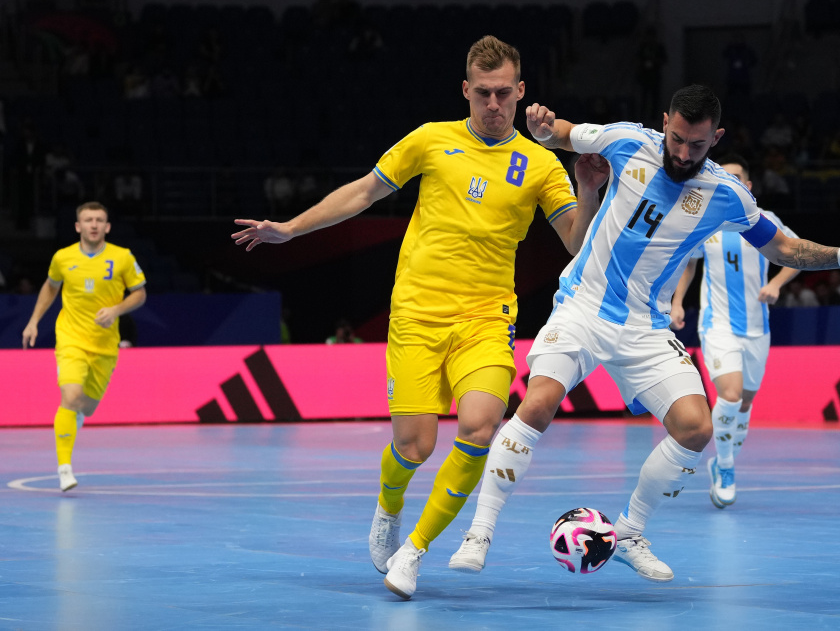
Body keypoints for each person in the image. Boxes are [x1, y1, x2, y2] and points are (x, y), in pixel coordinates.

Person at [449, 84, 840, 582]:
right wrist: (540, 126)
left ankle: (628, 533)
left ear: (717, 138)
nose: (684, 154)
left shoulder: (725, 194)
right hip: (583, 305)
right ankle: (480, 532)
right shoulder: (628, 142)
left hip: (645, 325)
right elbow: (560, 133)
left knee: (696, 427)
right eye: (679, 140)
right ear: (665, 123)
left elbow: (782, 248)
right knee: (537, 404)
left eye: (698, 146)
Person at [230, 36, 603, 600]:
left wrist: (586, 186)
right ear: (465, 91)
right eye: (483, 93)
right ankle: (388, 505)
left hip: (486, 319)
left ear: (521, 91)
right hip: (417, 316)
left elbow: (577, 242)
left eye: (505, 93)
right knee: (414, 446)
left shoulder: (541, 165)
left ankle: (415, 550)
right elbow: (361, 193)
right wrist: (288, 229)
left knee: (480, 426)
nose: (494, 104)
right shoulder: (432, 141)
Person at [668, 153, 800, 509]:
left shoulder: (767, 221)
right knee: (729, 394)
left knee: (744, 404)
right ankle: (725, 467)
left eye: (738, 177)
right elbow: (687, 266)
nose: (731, 182)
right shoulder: (706, 222)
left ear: (749, 186)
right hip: (718, 326)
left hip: (758, 329)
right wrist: (678, 302)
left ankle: (722, 459)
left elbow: (795, 255)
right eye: (725, 177)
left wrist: (776, 284)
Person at [22, 202, 147, 492]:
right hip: (70, 339)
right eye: (88, 220)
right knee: (71, 394)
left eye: (99, 220)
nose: (93, 224)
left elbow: (139, 294)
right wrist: (33, 321)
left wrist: (116, 310)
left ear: (107, 226)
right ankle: (64, 468)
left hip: (105, 345)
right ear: (78, 226)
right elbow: (51, 286)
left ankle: (75, 416)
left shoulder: (123, 257)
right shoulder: (63, 258)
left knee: (87, 408)